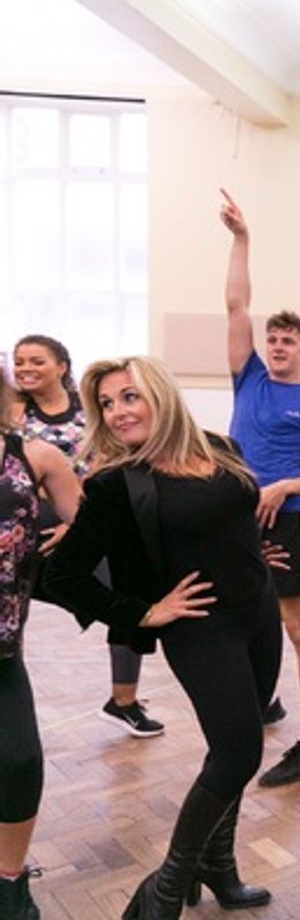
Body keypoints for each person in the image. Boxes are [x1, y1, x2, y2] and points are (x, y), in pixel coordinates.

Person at [44, 356, 281, 918]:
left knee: (241, 748)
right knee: (237, 750)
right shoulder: (116, 484)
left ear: (161, 394)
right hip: (202, 628)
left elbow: (233, 514)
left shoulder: (220, 447)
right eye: (106, 403)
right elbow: (64, 575)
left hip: (259, 612)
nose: (118, 412)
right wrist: (143, 612)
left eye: (130, 396)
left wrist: (250, 553)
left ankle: (220, 867)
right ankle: (167, 886)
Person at [219, 191, 300, 787]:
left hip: (289, 516)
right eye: (272, 338)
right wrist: (242, 239)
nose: (276, 345)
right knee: (242, 616)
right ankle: (261, 701)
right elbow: (236, 302)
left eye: (288, 340)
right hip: (235, 516)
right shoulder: (247, 378)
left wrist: (285, 485)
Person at [10, 334, 163, 738]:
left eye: (36, 361)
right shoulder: (13, 413)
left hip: (81, 524)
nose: (25, 368)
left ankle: (123, 700)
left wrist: (77, 523)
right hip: (24, 536)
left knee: (127, 594)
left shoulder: (91, 409)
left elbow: (111, 461)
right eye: (19, 361)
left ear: (62, 366)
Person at [1, 375, 82, 919]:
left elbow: (98, 525)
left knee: (20, 759)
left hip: (3, 650)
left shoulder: (35, 456)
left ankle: (9, 879)